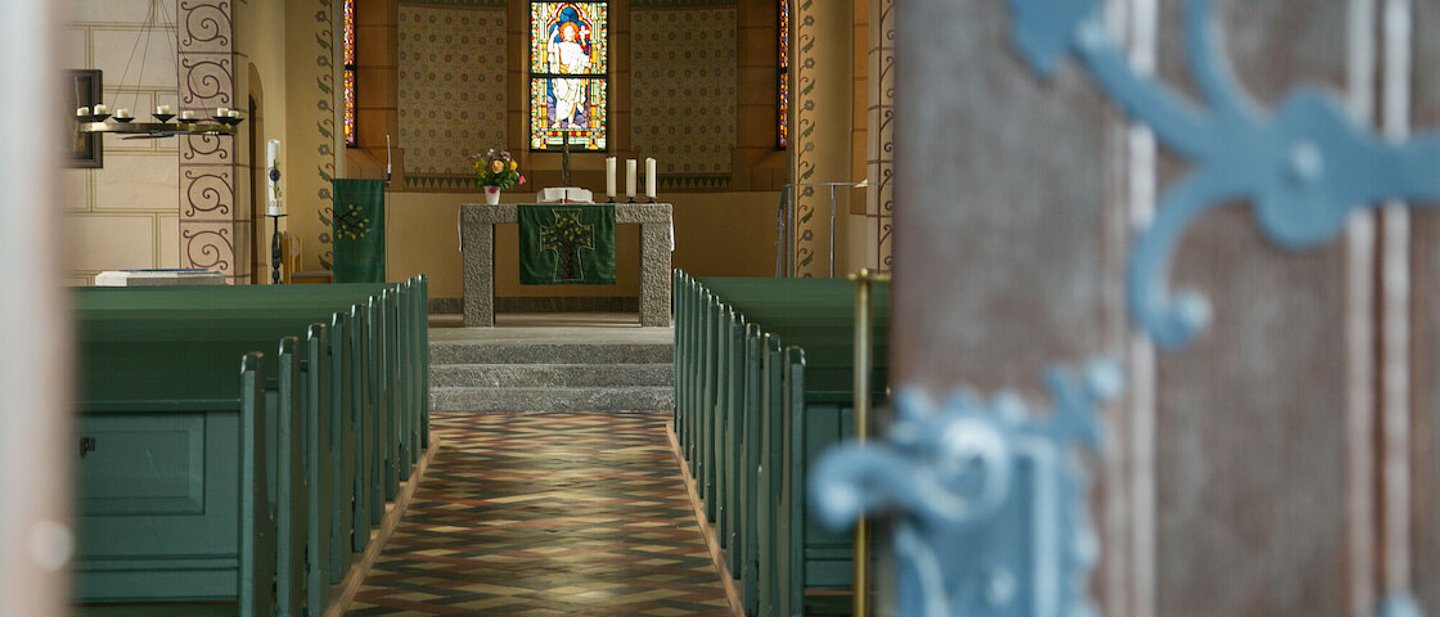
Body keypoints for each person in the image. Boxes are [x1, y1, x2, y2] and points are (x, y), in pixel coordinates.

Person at [548, 21, 589, 129]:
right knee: (562, 98)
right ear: (563, 34)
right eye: (567, 32)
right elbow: (550, 50)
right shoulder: (559, 46)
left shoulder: (577, 47)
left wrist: (586, 64)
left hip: (574, 75)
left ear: (575, 34)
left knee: (573, 99)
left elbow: (583, 58)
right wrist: (553, 36)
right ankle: (558, 121)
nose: (570, 34)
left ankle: (571, 122)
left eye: (572, 32)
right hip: (561, 74)